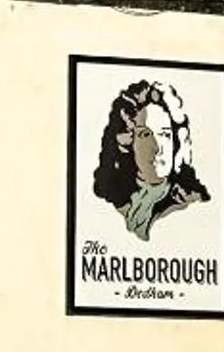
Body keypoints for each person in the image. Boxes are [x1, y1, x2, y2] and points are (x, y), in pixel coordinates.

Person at [88, 78, 210, 241]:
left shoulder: (185, 205)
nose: (157, 148)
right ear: (128, 141)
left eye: (166, 135)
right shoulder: (115, 203)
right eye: (146, 135)